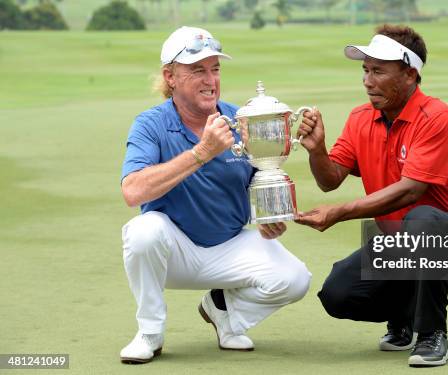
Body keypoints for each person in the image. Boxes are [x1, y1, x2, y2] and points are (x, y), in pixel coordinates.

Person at [119, 26, 311, 364]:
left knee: (294, 279)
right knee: (143, 231)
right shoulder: (150, 124)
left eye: (215, 69)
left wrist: (268, 216)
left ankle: (224, 310)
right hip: (173, 253)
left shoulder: (241, 119)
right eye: (197, 70)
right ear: (171, 77)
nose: (210, 79)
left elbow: (259, 177)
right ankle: (150, 332)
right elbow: (133, 191)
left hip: (230, 247)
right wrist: (202, 152)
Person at [295, 24, 448, 367]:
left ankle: (431, 334)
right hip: (401, 247)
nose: (367, 80)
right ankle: (405, 314)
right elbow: (330, 179)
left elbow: (411, 190)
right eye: (365, 70)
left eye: (378, 71)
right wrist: (317, 150)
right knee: (338, 294)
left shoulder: (436, 117)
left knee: (421, 218)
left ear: (410, 75)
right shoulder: (360, 117)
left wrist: (338, 213)